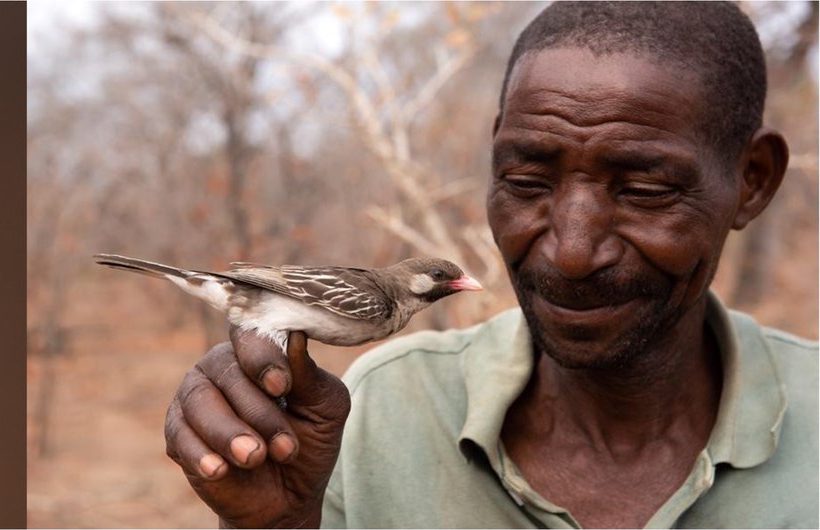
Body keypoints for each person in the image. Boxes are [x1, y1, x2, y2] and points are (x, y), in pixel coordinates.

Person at [162, 2, 818, 528]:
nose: (571, 251)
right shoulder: (373, 414)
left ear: (752, 181)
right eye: (528, 181)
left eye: (643, 190)